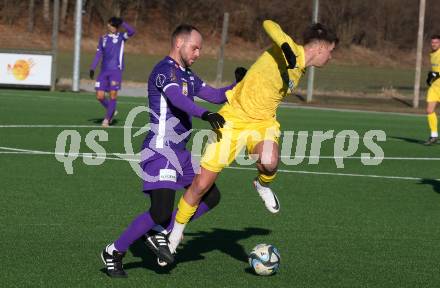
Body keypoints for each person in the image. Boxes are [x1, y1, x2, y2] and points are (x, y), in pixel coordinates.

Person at [163, 19, 338, 256]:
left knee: (270, 162)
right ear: (320, 47)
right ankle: (174, 234)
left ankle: (262, 184)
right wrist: (286, 49)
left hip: (262, 123)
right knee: (201, 184)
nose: (331, 57)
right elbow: (270, 24)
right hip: (233, 119)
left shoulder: (302, 69)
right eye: (331, 51)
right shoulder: (291, 49)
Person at [101, 24, 238, 278]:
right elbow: (177, 99)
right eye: (194, 47)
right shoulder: (164, 71)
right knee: (161, 210)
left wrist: (242, 83)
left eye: (200, 49)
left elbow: (218, 95)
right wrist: (204, 114)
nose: (198, 53)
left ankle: (161, 235)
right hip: (160, 150)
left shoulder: (188, 74)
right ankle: (114, 251)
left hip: (181, 154)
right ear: (179, 44)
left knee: (211, 196)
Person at [89, 17, 135, 127]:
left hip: (116, 71)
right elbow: (98, 54)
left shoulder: (121, 37)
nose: (114, 27)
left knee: (113, 95)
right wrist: (92, 67)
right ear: (108, 26)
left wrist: (122, 22)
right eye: (112, 25)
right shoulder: (103, 38)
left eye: (115, 26)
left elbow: (132, 32)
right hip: (104, 71)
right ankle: (112, 109)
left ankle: (106, 119)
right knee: (100, 96)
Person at [424, 34, 440, 145]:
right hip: (435, 86)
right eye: (432, 42)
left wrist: (435, 74)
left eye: (436, 42)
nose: (434, 44)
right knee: (429, 110)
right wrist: (432, 76)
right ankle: (434, 135)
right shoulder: (431, 54)